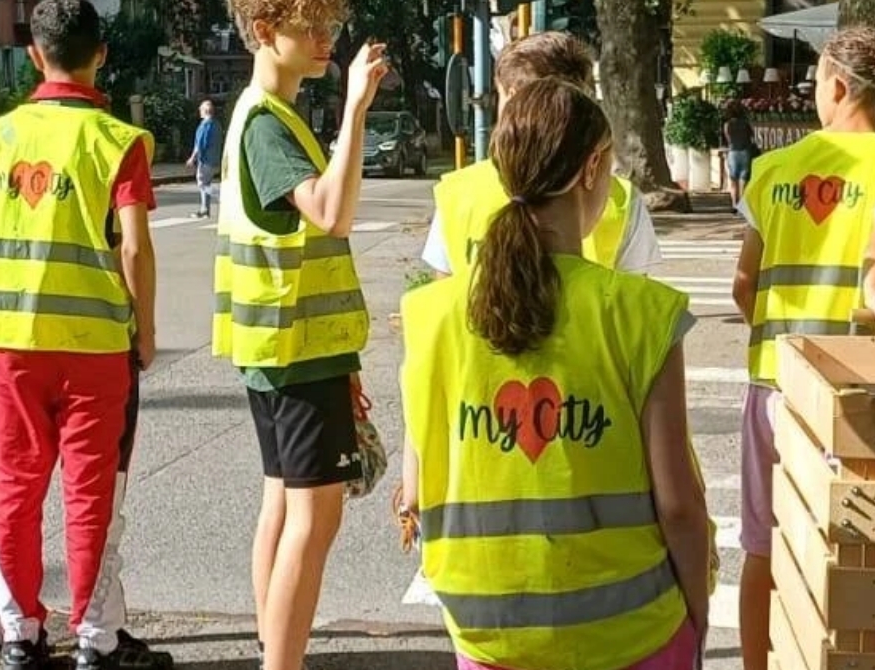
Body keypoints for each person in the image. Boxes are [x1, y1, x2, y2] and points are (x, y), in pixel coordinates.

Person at [399, 77, 711, 670]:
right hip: (630, 630)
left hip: (487, 632)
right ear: (592, 169)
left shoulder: (428, 316)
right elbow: (679, 507)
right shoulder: (643, 314)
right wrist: (695, 617)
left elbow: (418, 483)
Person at [0, 0, 160, 668]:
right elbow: (135, 247)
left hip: (11, 340)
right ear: (101, 54)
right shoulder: (116, 141)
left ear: (32, 55)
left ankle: (20, 634)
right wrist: (146, 329)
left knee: (15, 488)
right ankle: (96, 639)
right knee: (91, 491)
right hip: (95, 346)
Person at [728, 25, 875, 670]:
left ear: (837, 84)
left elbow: (743, 286)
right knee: (853, 541)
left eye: (816, 81)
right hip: (854, 391)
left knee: (763, 545)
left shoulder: (770, 170)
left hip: (773, 382)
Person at [211, 0, 388, 666]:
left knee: (284, 508)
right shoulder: (267, 125)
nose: (324, 40)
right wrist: (355, 108)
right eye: (308, 27)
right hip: (296, 350)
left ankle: (274, 649)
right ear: (264, 31)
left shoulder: (262, 114)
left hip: (282, 348)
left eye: (329, 27)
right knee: (312, 519)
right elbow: (331, 213)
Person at [422, 31, 662, 278]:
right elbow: (633, 295)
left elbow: (443, 291)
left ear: (514, 98)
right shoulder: (620, 199)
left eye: (499, 95)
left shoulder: (459, 193)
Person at [186, 99, 223, 218]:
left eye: (201, 109)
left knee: (202, 183)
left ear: (205, 111)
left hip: (206, 160)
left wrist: (192, 158)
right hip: (215, 159)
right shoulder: (217, 124)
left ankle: (219, 199)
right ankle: (205, 209)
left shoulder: (205, 125)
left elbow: (201, 144)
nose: (199, 111)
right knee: (206, 183)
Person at [722, 100, 758, 212]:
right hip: (745, 152)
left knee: (733, 180)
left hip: (733, 153)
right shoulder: (746, 124)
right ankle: (743, 205)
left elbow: (729, 140)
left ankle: (734, 205)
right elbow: (752, 138)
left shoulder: (727, 125)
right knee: (744, 180)